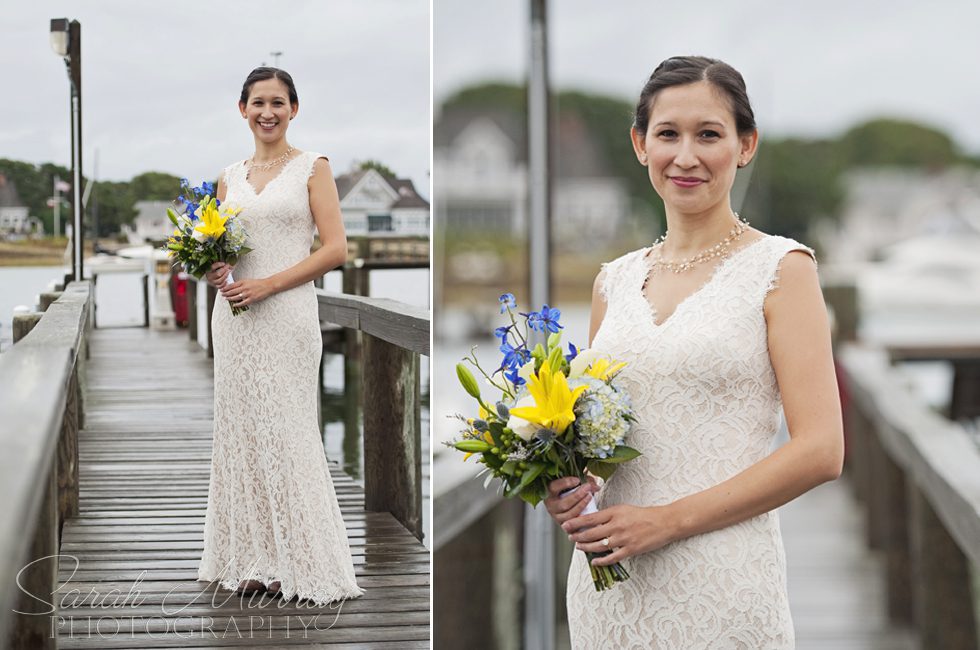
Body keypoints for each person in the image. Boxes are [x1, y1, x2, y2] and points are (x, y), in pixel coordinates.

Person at [545, 56, 844, 648]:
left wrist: (665, 521)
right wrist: (569, 483)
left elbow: (821, 450)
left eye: (709, 134)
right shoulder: (614, 280)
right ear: (639, 144)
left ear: (745, 144)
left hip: (722, 579)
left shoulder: (782, 269)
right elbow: (604, 439)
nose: (686, 156)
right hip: (613, 584)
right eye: (667, 134)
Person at [196, 67, 363, 605]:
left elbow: (335, 249)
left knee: (288, 430)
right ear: (241, 109)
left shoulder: (313, 168)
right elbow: (218, 248)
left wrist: (269, 283)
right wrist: (215, 271)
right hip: (237, 320)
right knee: (242, 432)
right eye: (258, 102)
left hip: (287, 316)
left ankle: (303, 559)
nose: (268, 112)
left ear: (294, 108)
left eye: (278, 102)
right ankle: (251, 559)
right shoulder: (228, 176)